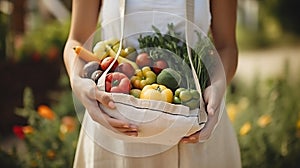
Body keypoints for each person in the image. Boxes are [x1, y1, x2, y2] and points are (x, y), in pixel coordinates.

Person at [63, 0, 241, 167]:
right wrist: (77, 81)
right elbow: (77, 40)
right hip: (116, 128)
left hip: (197, 118)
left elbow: (227, 46)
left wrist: (217, 85)